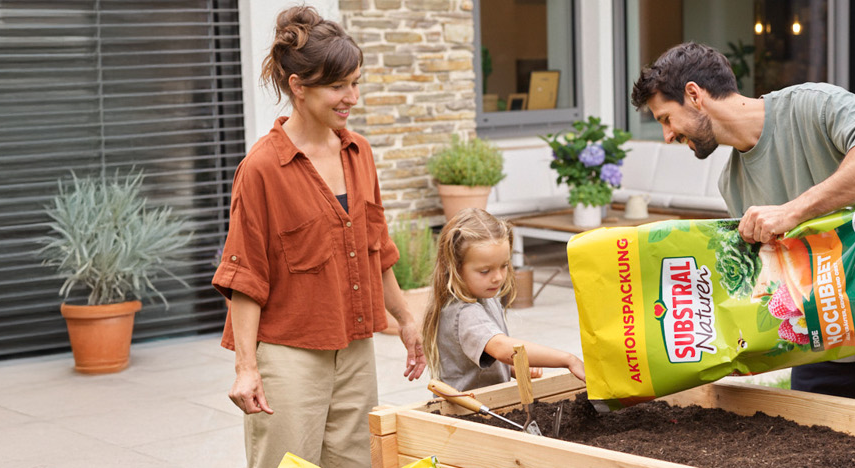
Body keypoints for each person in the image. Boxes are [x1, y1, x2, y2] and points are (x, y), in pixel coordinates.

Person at [630, 42, 855, 414]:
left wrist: (794, 211)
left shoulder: (813, 105)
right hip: (825, 338)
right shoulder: (732, 183)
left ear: (694, 95)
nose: (667, 135)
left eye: (665, 119)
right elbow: (777, 278)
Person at [212, 6, 425, 468]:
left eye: (355, 82)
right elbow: (244, 275)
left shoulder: (358, 151)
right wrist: (247, 368)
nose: (352, 97)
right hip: (290, 355)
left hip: (354, 346)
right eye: (338, 86)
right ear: (298, 87)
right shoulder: (262, 169)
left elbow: (378, 247)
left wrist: (406, 318)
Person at [421, 208, 585, 392]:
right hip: (465, 409)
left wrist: (514, 367)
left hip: (486, 401)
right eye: (485, 271)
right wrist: (568, 359)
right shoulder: (464, 312)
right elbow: (502, 349)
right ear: (455, 268)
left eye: (504, 265)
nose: (498, 277)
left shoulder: (485, 296)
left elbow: (489, 355)